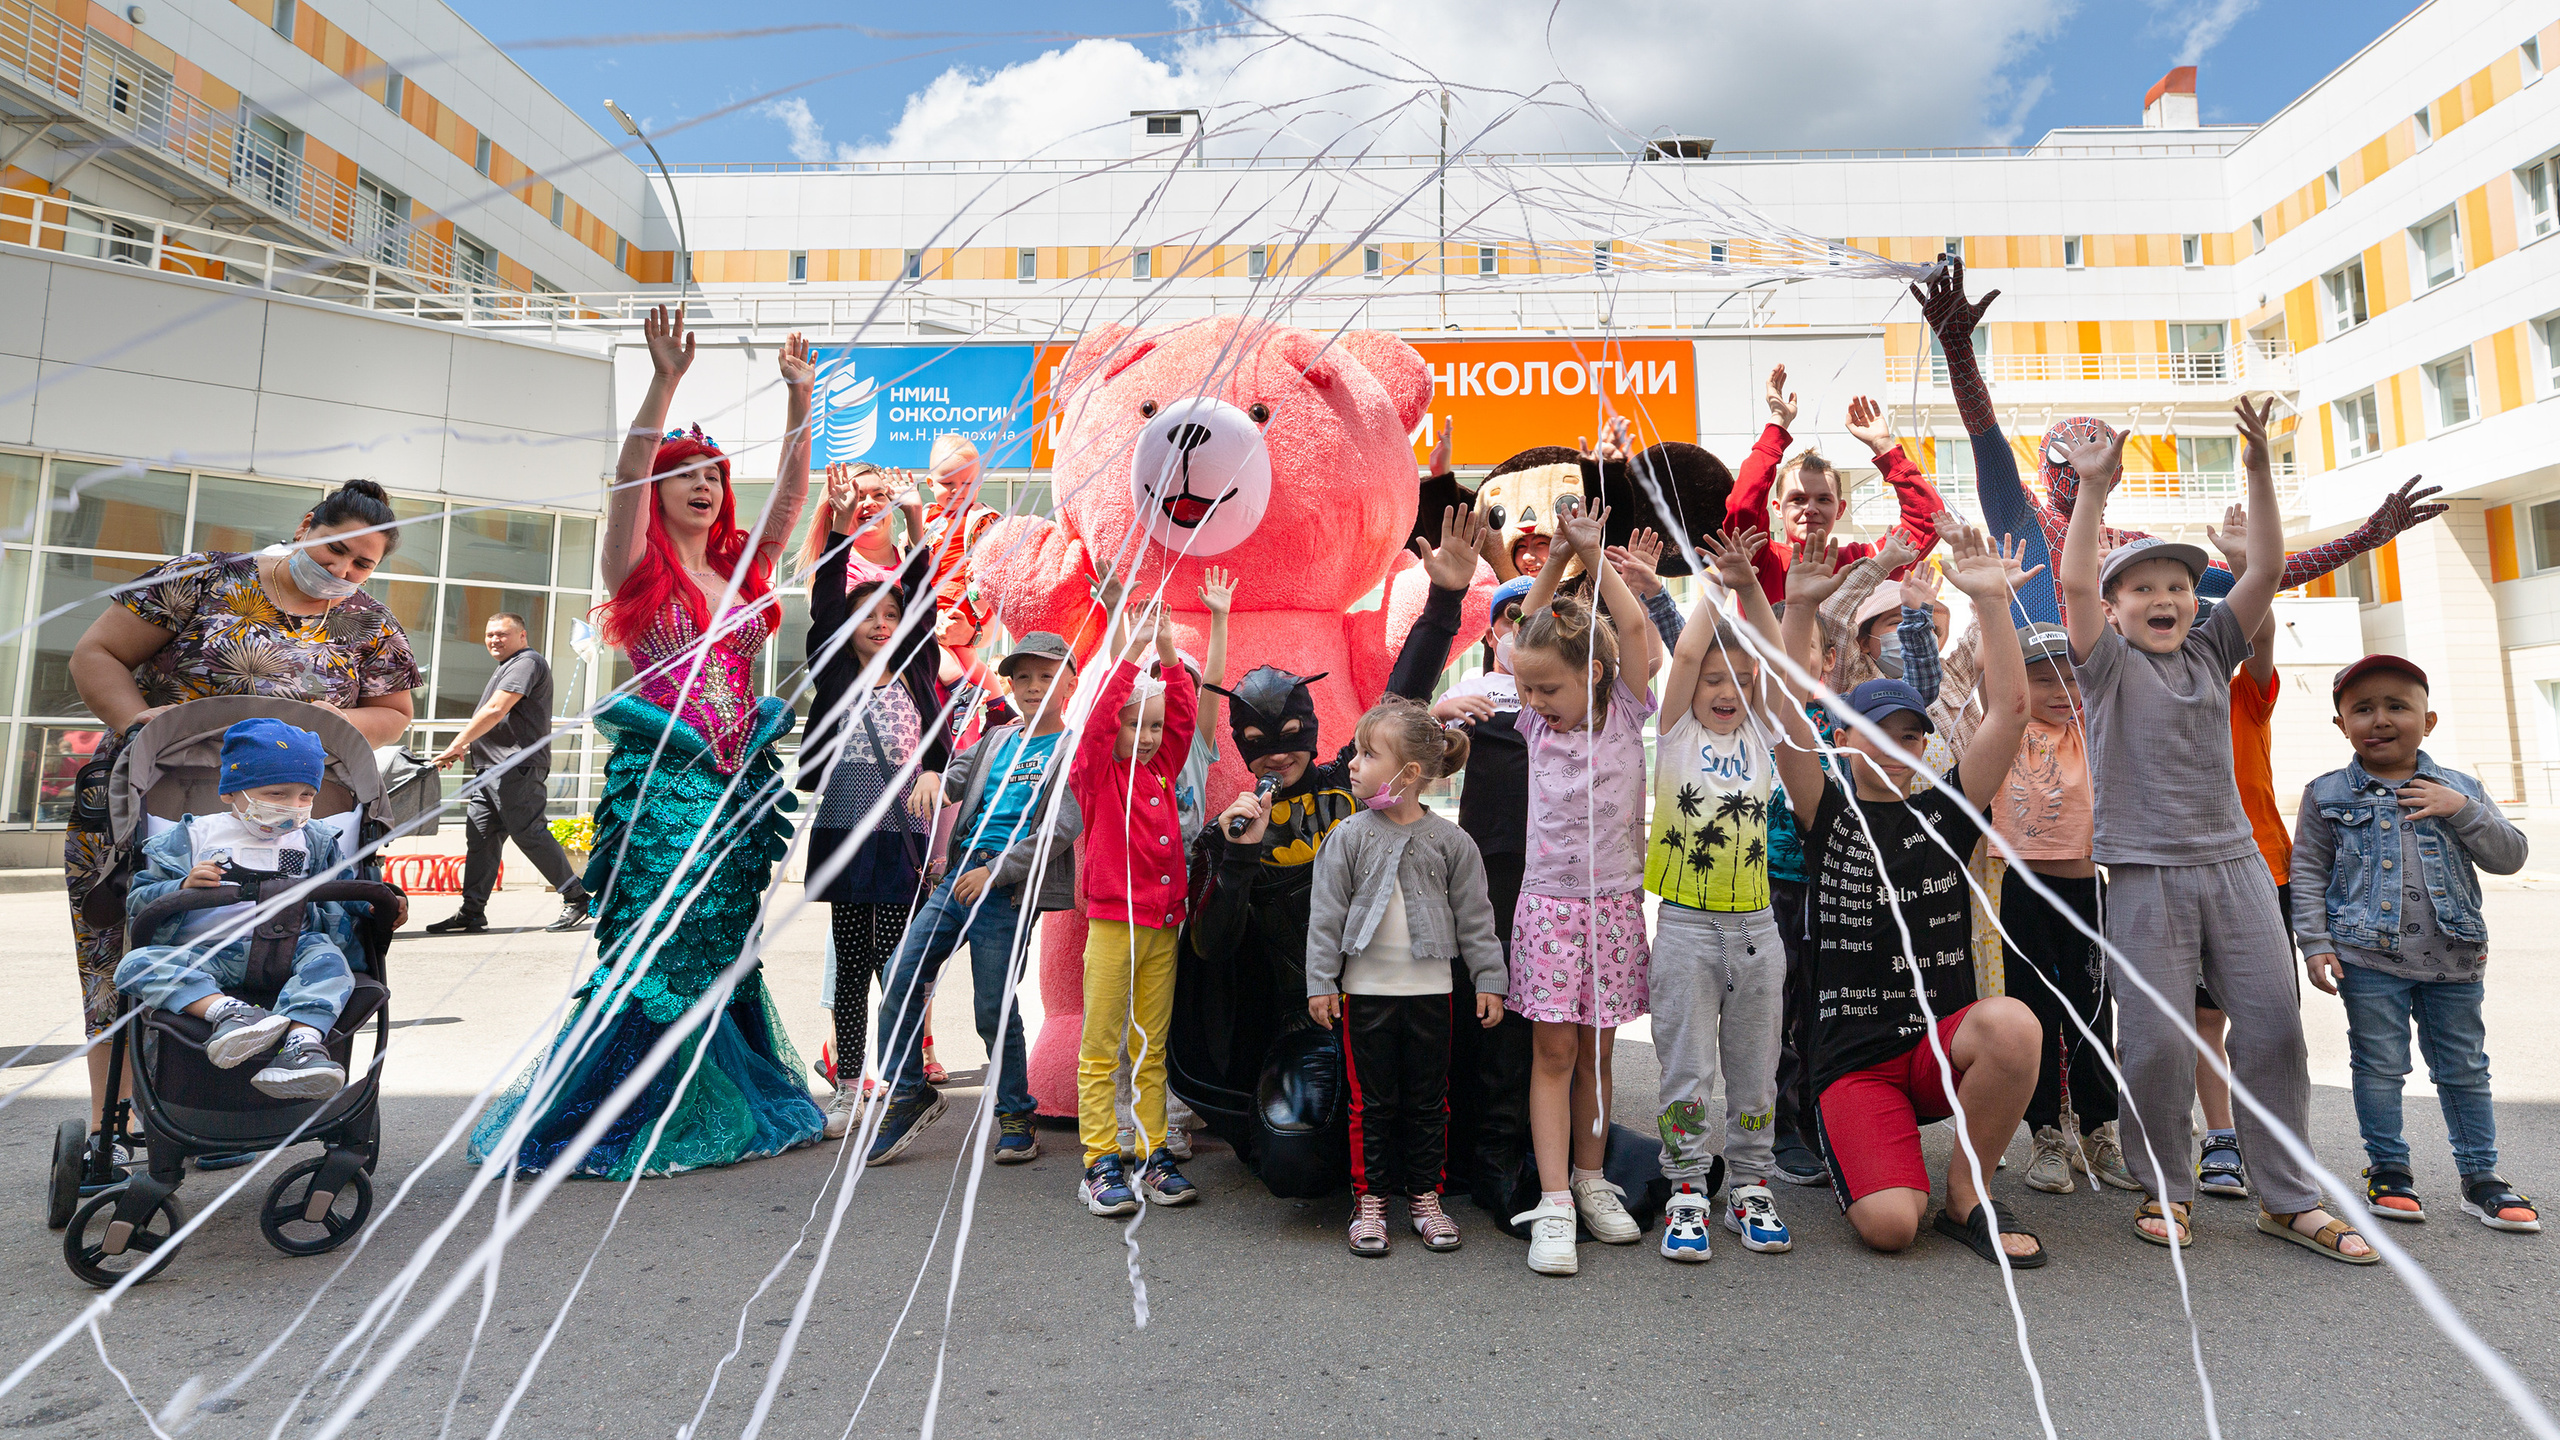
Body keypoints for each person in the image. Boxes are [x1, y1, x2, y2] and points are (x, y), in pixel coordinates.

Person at [468, 310, 822, 1178]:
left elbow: (788, 501)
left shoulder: (741, 572)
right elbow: (626, 476)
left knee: (721, 932)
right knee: (662, 935)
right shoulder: (636, 570)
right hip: (664, 781)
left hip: (739, 786)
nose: (704, 486)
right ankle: (640, 1101)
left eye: (713, 476)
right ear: (660, 491)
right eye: (685, 475)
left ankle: (718, 1083)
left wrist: (799, 401)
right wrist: (663, 383)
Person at [2060, 398, 2370, 1261]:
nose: (2165, 598)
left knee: (2273, 1028)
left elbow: (2265, 567)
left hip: (2237, 866)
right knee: (2157, 1043)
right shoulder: (2107, 665)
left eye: (2177, 586)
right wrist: (2093, 490)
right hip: (2146, 873)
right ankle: (2166, 1188)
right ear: (2116, 609)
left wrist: (2260, 465)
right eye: (2143, 588)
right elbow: (2075, 582)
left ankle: (2288, 1198)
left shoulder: (2210, 649)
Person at [66, 477, 419, 1144]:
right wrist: (139, 721)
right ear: (307, 525)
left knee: (302, 946)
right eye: (335, 549)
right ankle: (115, 1119)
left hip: (293, 811)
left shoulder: (368, 622)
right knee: (118, 960)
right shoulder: (203, 578)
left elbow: (394, 713)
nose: (343, 571)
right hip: (155, 797)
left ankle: (228, 1110)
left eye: (362, 563)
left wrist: (336, 719)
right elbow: (97, 654)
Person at [1758, 522, 2049, 1266]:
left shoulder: (1948, 811)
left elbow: (2011, 712)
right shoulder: (1825, 811)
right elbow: (1783, 715)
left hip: (1935, 1051)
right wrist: (1799, 609)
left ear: (1926, 744)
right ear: (1843, 736)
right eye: (1874, 730)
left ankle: (1968, 1195)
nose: (1894, 746)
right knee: (1890, 1228)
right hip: (1854, 1064)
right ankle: (1872, 1153)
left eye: (1909, 735)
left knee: (2014, 1026)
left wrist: (1991, 602)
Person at [1170, 509, 1475, 1198]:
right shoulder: (1231, 831)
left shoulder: (1355, 784)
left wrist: (1445, 599)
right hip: (1304, 1020)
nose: (1276, 752)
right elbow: (1212, 949)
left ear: (1309, 728)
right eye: (1257, 741)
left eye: (1289, 734)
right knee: (1293, 1164)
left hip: (1398, 999)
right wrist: (1238, 860)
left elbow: (1403, 700)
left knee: (1459, 1122)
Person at [1913, 255, 2449, 626]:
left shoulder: (2142, 554)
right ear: (2045, 469)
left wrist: (2363, 539)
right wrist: (1958, 351)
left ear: (2116, 471)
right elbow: (1987, 441)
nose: (2080, 470)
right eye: (2067, 458)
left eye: (2095, 457)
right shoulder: (2022, 521)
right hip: (2037, 715)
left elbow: (2259, 579)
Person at [2295, 655, 2538, 1233]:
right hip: (2366, 959)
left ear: (2427, 721)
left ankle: (2481, 1177)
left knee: (2464, 1068)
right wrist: (2314, 941)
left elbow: (2510, 857)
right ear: (2342, 725)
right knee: (2379, 1066)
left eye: (2397, 706)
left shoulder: (2460, 789)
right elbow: (2307, 871)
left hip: (2455, 957)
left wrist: (2464, 812)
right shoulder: (2326, 794)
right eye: (2363, 708)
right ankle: (2389, 1169)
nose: (2380, 719)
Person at [1504, 500, 1656, 1278]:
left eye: (1547, 690)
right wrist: (1560, 559)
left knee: (1597, 1050)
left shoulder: (1625, 709)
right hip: (1549, 909)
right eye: (1527, 690)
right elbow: (1522, 634)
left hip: (1613, 905)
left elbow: (1634, 631)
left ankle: (1593, 1179)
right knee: (1554, 1048)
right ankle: (1555, 1199)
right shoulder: (1535, 726)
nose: (1533, 703)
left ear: (1591, 675)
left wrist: (1596, 557)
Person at [864, 629, 1081, 1167]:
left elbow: (1061, 828)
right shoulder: (997, 740)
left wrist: (996, 872)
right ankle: (909, 1092)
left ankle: (1016, 1114)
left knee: (992, 1007)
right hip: (958, 877)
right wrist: (932, 777)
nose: (1033, 686)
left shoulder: (1072, 749)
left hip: (1005, 891)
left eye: (1047, 676)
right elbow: (953, 778)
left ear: (1069, 685)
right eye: (1023, 677)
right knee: (899, 973)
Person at [1306, 698, 1504, 1254]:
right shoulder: (1347, 836)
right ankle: (1370, 1201)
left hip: (1431, 994)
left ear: (1409, 772)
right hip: (1364, 994)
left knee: (1428, 1101)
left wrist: (1489, 978)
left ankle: (1425, 1198)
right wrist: (1321, 981)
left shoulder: (1452, 842)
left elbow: (1476, 918)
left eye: (1368, 754)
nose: (1352, 763)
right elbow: (1325, 916)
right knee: (1369, 1104)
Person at [1644, 542, 1793, 1262]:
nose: (1726, 689)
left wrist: (1748, 587)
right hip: (1685, 927)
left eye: (1739, 678)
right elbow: (1685, 653)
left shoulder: (1764, 735)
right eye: (1712, 679)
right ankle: (1686, 1189)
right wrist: (1710, 587)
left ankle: (1751, 1185)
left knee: (1755, 1070)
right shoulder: (1676, 733)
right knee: (1687, 1070)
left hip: (1757, 929)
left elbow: (1776, 661)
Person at [114, 718, 383, 1100]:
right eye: (277, 794)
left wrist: (375, 904)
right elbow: (139, 901)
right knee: (135, 964)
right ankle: (227, 1012)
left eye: (306, 796)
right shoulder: (191, 836)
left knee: (330, 961)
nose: (293, 807)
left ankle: (303, 1044)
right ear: (230, 793)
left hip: (292, 945)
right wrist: (181, 886)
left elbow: (342, 890)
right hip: (207, 951)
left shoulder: (315, 840)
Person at [799, 464, 947, 1139]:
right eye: (870, 616)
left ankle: (908, 1081)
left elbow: (924, 602)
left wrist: (916, 521)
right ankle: (851, 1086)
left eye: (892, 615)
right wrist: (837, 526)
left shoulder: (916, 669)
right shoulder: (834, 672)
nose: (883, 625)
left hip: (900, 836)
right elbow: (826, 602)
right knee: (851, 966)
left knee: (898, 962)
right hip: (845, 830)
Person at [1996, 623, 2138, 1196]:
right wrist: (1994, 601)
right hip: (2025, 892)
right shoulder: (2008, 728)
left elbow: (2116, 670)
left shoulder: (2092, 728)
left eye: (2069, 679)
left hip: (2087, 892)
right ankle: (2045, 1134)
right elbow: (1986, 675)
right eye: (2041, 679)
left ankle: (2098, 1129)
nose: (2060, 691)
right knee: (2034, 1015)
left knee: (2093, 1012)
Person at [1071, 608, 1200, 1216]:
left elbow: (1184, 718)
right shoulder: (1096, 774)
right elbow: (1101, 719)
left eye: (1154, 726)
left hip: (1162, 927)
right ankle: (1099, 1161)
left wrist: (1169, 654)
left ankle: (1152, 1155)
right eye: (1135, 725)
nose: (1147, 737)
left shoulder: (1161, 768)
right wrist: (1131, 657)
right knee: (1102, 1046)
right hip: (1112, 925)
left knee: (1152, 1046)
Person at [1426, 571, 1542, 1212]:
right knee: (1485, 993)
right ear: (1492, 632)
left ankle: (1518, 1141)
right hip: (1484, 864)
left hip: (1549, 866)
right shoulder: (1470, 691)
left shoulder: (1559, 695)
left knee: (1529, 1003)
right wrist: (1438, 717)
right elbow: (1416, 754)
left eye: (1535, 619)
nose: (1521, 629)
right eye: (1510, 619)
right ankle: (1472, 1146)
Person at [425, 613, 588, 935]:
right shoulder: (508, 665)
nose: (494, 640)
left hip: (516, 766)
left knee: (529, 833)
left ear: (522, 636)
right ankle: (472, 912)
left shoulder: (526, 662)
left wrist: (457, 744)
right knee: (481, 838)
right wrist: (468, 747)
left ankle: (577, 897)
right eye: (489, 635)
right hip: (490, 769)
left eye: (502, 634)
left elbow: (496, 709)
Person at [1722, 373, 1943, 605]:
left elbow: (1928, 520)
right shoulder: (1758, 556)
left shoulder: (1861, 562)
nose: (1810, 508)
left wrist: (1883, 446)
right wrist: (1778, 423)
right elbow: (1742, 507)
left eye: (1823, 499)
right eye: (1798, 499)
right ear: (1777, 507)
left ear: (1840, 509)